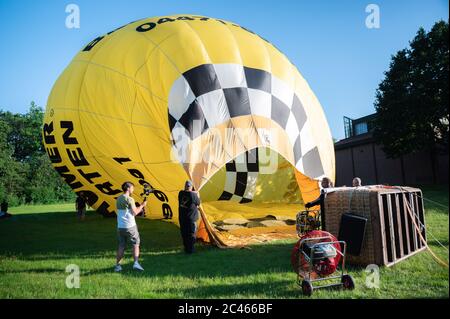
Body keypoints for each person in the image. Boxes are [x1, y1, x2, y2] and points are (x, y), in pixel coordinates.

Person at [114, 181, 147, 272]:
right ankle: (136, 263)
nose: (133, 189)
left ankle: (117, 265)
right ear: (128, 188)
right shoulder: (130, 199)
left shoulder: (118, 198)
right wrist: (142, 205)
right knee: (136, 244)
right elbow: (135, 212)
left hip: (120, 226)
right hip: (130, 226)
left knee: (121, 245)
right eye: (132, 187)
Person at [178, 180, 201, 254]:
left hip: (182, 218)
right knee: (191, 234)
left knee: (184, 233)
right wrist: (197, 194)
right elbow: (198, 203)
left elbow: (186, 192)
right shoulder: (193, 195)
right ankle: (191, 250)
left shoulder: (181, 193)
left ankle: (186, 248)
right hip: (191, 219)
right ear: (191, 187)